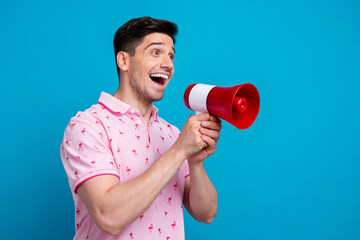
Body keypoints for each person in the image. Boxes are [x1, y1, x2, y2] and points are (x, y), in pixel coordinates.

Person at [60, 16, 222, 240]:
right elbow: (109, 217)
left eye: (171, 55)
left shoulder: (172, 134)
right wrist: (179, 151)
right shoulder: (88, 126)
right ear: (124, 61)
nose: (168, 64)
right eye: (156, 52)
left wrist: (195, 161)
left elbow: (206, 213)